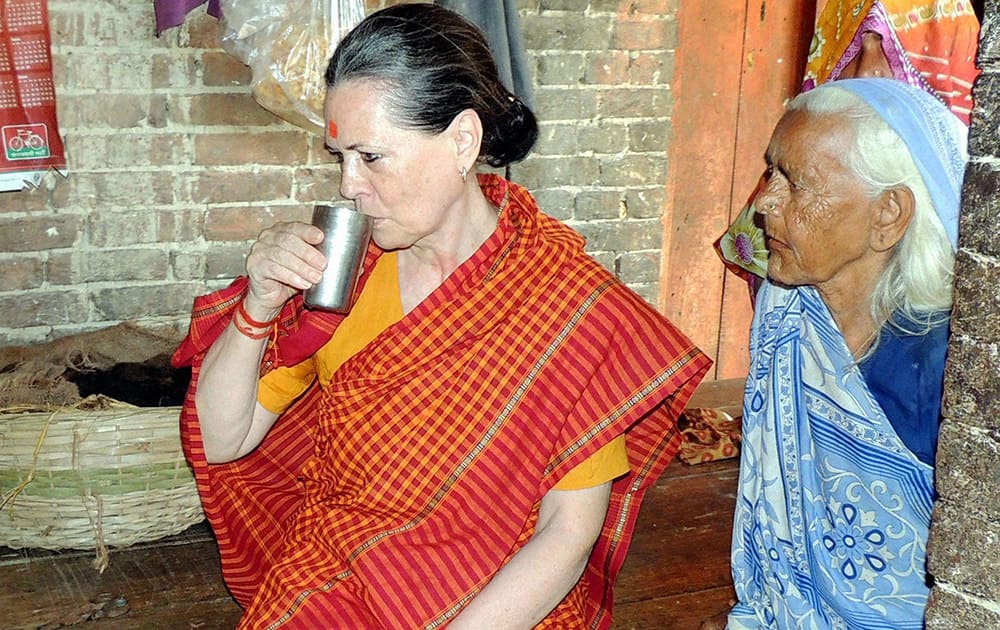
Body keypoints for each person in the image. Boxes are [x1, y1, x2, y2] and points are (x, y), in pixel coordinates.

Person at [171, 5, 711, 629]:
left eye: (371, 157)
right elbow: (223, 439)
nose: (349, 187)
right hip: (338, 580)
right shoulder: (342, 273)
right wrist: (258, 308)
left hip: (500, 602)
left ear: (462, 141)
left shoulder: (567, 305)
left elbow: (566, 533)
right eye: (338, 157)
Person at [701, 78, 967, 629]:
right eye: (769, 170)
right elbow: (737, 246)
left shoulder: (943, 368)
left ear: (888, 215)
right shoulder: (790, 301)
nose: (764, 203)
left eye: (796, 184)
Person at [718, 0, 978, 286]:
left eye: (889, 44)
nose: (867, 73)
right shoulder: (786, 193)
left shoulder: (979, 208)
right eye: (856, 44)